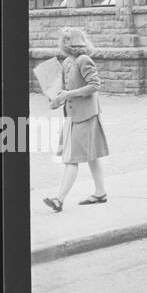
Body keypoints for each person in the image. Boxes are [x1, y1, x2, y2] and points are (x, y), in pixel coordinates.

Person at [42, 27, 110, 212]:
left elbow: (95, 85)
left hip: (86, 116)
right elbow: (64, 89)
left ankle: (59, 200)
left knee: (71, 159)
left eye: (64, 41)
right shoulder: (67, 62)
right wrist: (56, 100)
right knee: (91, 156)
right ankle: (100, 192)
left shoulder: (84, 60)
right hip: (72, 116)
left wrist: (68, 94)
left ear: (68, 44)